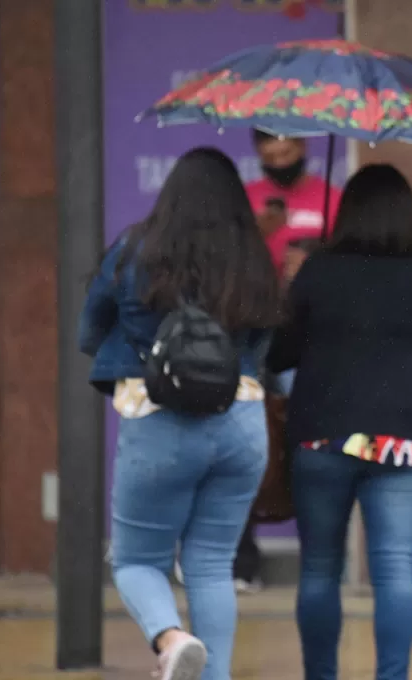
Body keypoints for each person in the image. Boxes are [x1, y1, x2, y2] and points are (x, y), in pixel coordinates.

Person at [79, 147, 282, 680]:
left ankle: (171, 639)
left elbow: (88, 331)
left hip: (158, 422)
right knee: (212, 565)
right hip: (241, 423)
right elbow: (268, 345)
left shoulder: (133, 251)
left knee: (136, 561)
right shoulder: (252, 257)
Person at [267, 164, 412, 680]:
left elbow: (279, 354)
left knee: (319, 567)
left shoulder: (317, 273)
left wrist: (295, 291)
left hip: (322, 434)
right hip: (402, 441)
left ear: (346, 214)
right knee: (394, 569)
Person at [246, 129, 342, 272]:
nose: (279, 163)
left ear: (302, 146)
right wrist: (255, 231)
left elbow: (347, 256)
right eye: (269, 157)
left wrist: (314, 263)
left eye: (286, 153)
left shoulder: (334, 198)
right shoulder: (245, 196)